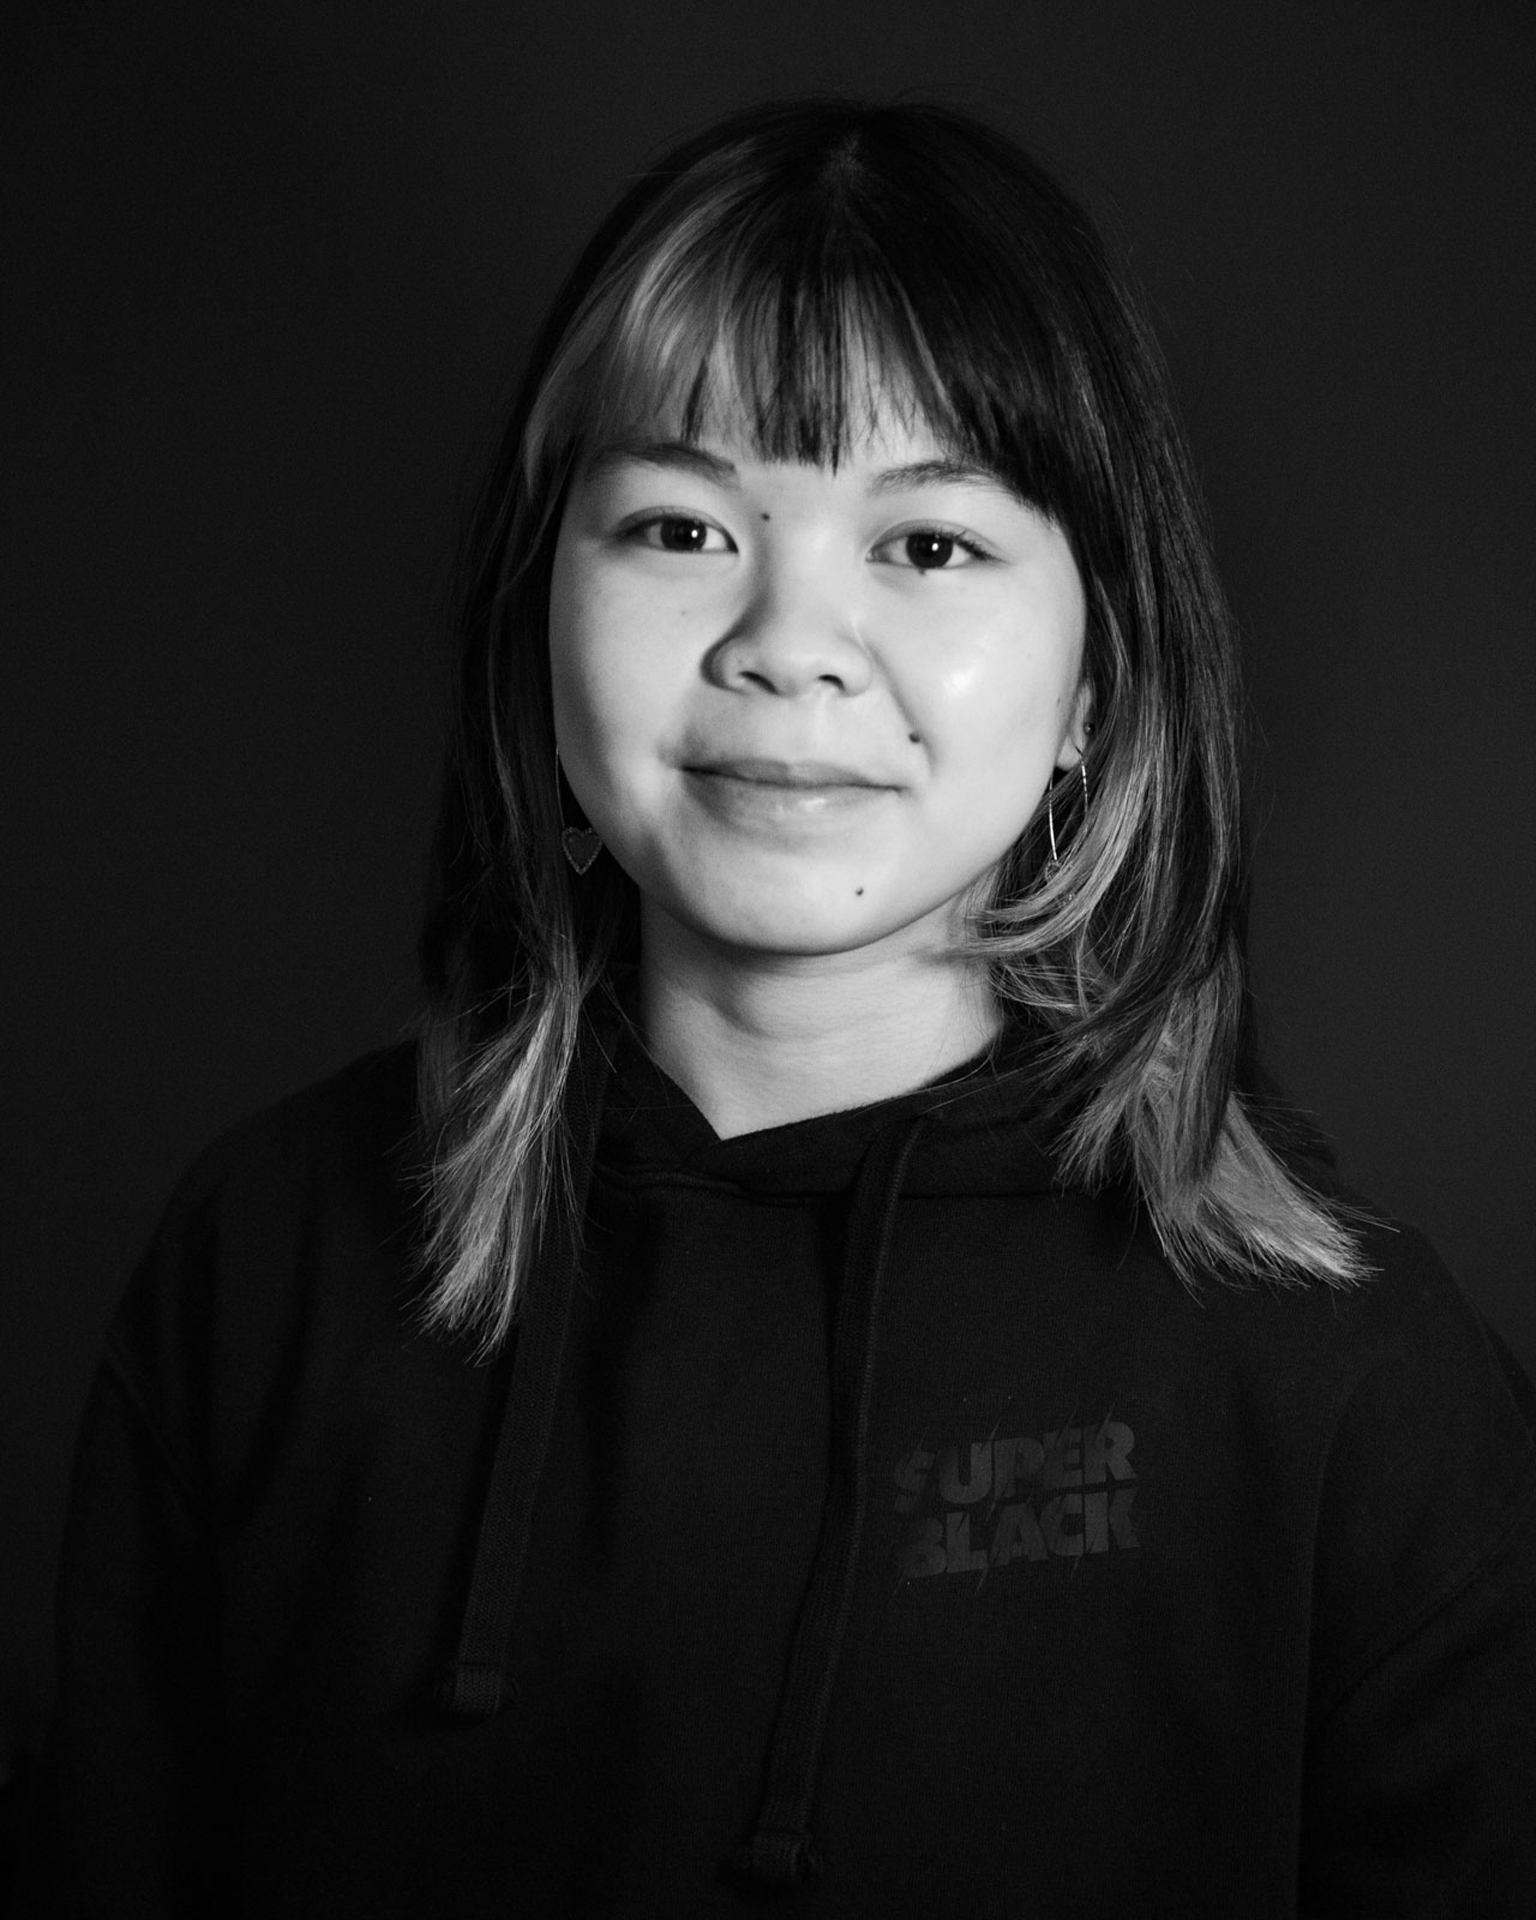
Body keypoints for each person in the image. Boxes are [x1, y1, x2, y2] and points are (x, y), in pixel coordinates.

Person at [17, 98, 1536, 1917]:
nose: (788, 644)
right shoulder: (265, 1265)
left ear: (1095, 681)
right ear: (537, 614)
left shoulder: (1358, 1392)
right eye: (678, 526)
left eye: (930, 544)